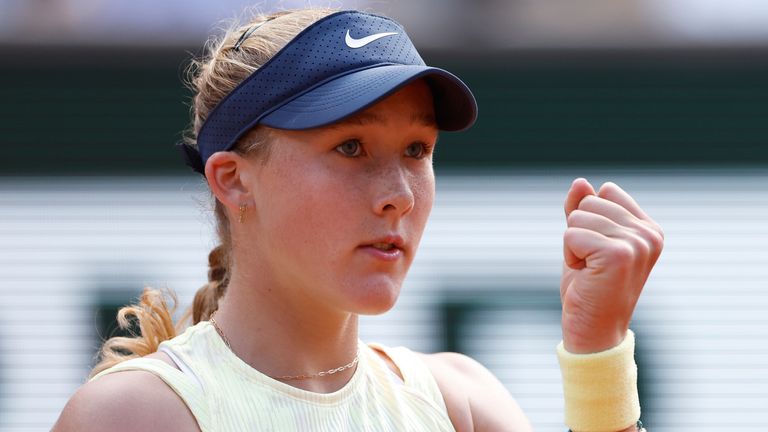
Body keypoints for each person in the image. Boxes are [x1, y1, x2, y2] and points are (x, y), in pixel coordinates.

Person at [52, 7, 663, 432]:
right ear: (233, 180)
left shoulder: (461, 403)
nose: (398, 194)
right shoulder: (135, 416)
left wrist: (599, 352)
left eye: (417, 150)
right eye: (350, 148)